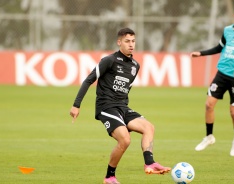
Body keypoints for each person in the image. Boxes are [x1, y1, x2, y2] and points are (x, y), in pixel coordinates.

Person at [69, 28, 171, 184]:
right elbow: (88, 80)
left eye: (133, 41)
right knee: (125, 140)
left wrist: (125, 113)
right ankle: (110, 177)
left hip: (122, 107)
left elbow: (125, 89)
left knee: (149, 127)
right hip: (106, 107)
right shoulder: (109, 60)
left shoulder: (135, 66)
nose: (131, 45)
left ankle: (149, 163)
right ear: (119, 42)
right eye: (127, 41)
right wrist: (76, 105)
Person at [190, 4, 234, 156]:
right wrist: (201, 53)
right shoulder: (228, 30)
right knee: (209, 105)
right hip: (222, 73)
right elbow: (218, 48)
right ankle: (209, 137)